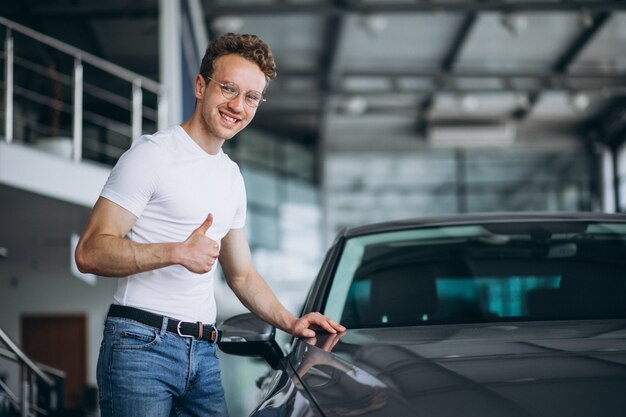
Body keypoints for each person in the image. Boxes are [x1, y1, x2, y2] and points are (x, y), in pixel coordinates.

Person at [75, 32, 345, 417]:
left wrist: (291, 322)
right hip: (140, 345)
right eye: (229, 89)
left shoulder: (231, 176)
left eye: (251, 97)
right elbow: (89, 251)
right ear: (201, 86)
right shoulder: (152, 155)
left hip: (202, 351)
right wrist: (176, 252)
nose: (238, 105)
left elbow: (243, 275)